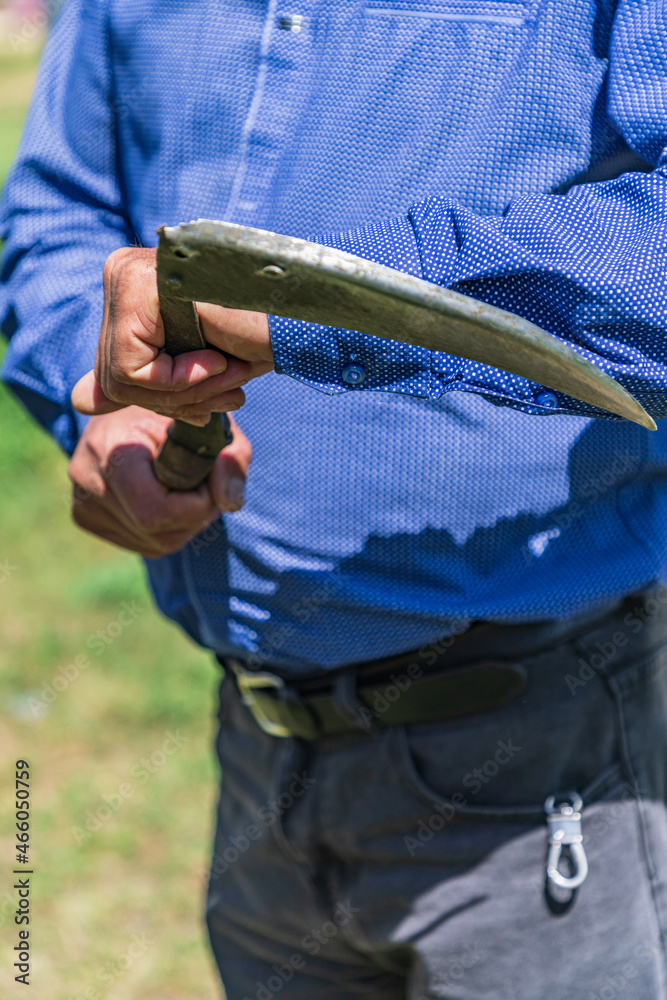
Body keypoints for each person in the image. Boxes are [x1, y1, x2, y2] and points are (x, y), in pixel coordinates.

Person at [3, 1, 667, 996]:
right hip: (257, 754)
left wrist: (303, 300)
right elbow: (57, 211)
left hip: (545, 764)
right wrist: (98, 396)